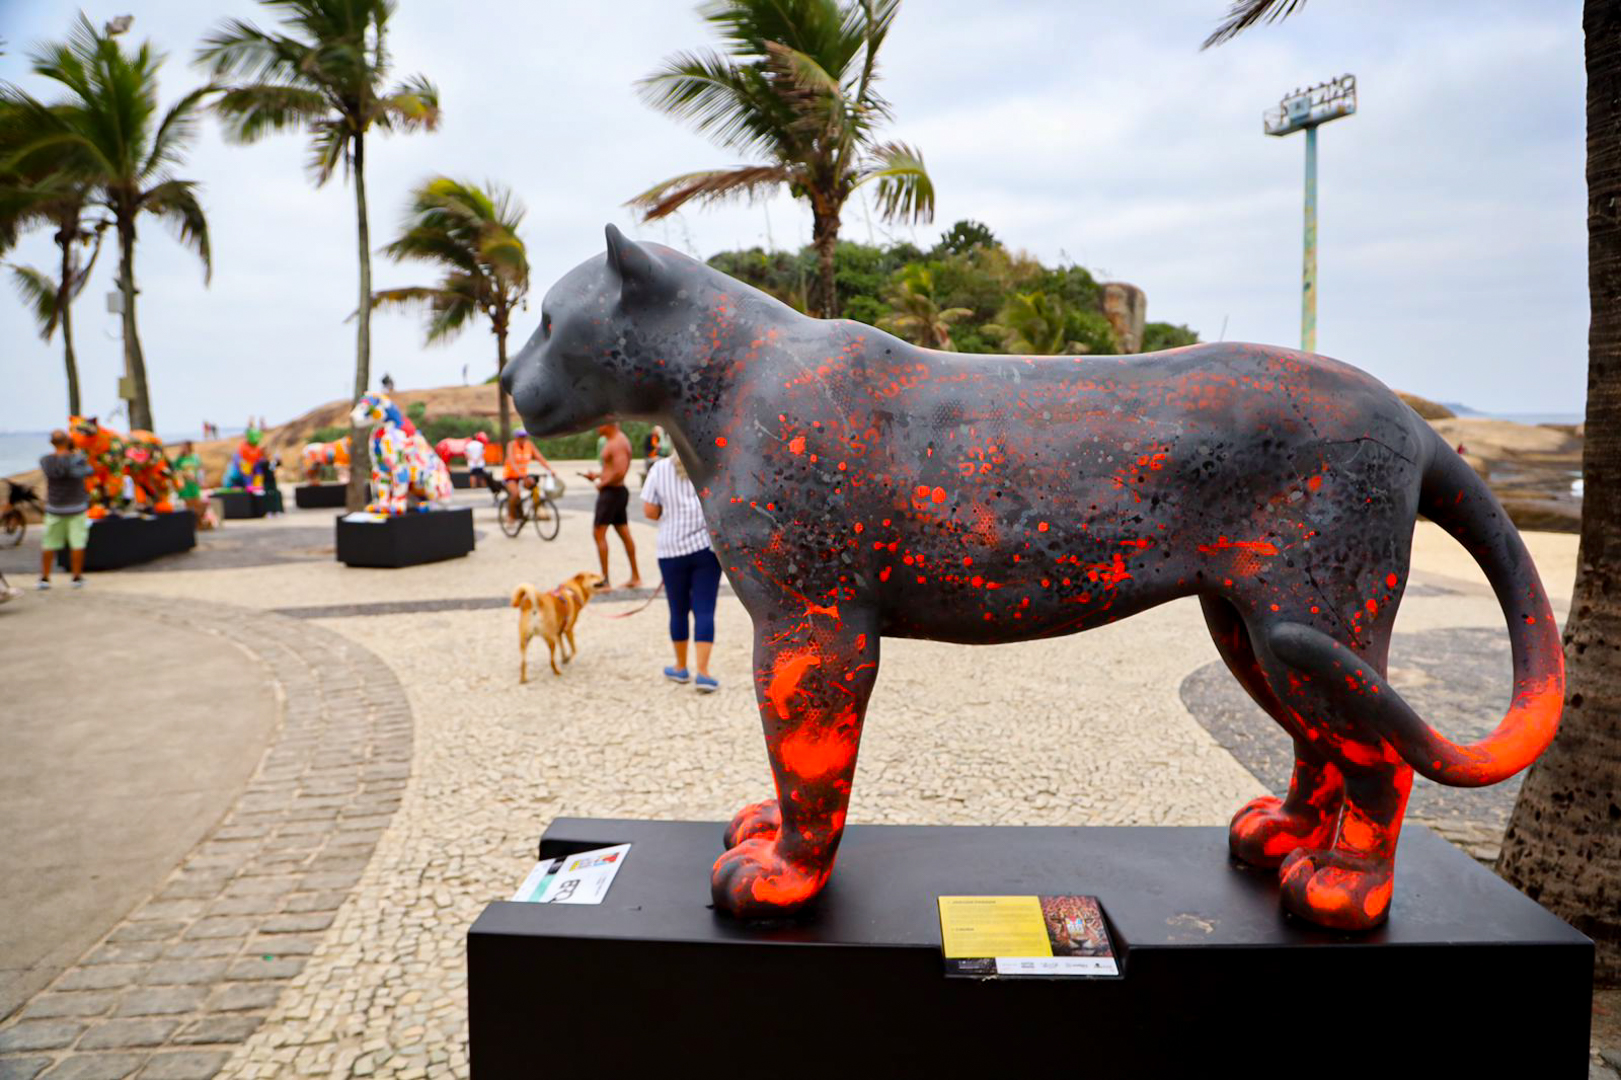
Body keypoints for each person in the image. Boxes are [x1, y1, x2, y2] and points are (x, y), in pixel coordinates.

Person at [642, 452, 719, 691]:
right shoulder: (709, 465)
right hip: (706, 549)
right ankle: (704, 672)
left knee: (678, 610)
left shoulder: (659, 469)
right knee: (704, 610)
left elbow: (650, 512)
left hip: (671, 550)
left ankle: (680, 667)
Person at [585, 422, 642, 591]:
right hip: (616, 492)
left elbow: (620, 471)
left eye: (598, 423)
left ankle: (605, 580)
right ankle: (635, 576)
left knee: (598, 533)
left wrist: (603, 484)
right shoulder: (615, 440)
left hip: (612, 493)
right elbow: (612, 469)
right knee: (624, 532)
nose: (596, 426)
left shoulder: (617, 442)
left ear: (607, 423)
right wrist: (597, 475)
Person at [38, 429, 92, 589]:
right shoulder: (77, 459)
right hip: (76, 507)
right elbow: (88, 472)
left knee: (49, 543)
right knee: (77, 543)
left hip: (54, 507)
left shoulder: (46, 460)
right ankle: (76, 577)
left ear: (52, 442)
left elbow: (56, 472)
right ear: (68, 441)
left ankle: (45, 578)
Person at [503, 429, 557, 523]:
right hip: (510, 475)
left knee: (534, 486)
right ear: (516, 438)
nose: (522, 439)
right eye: (520, 437)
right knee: (515, 494)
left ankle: (538, 510)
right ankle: (510, 515)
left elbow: (539, 457)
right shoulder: (511, 445)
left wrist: (550, 470)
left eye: (524, 437)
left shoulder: (529, 445)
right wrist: (520, 474)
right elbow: (512, 461)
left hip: (523, 475)